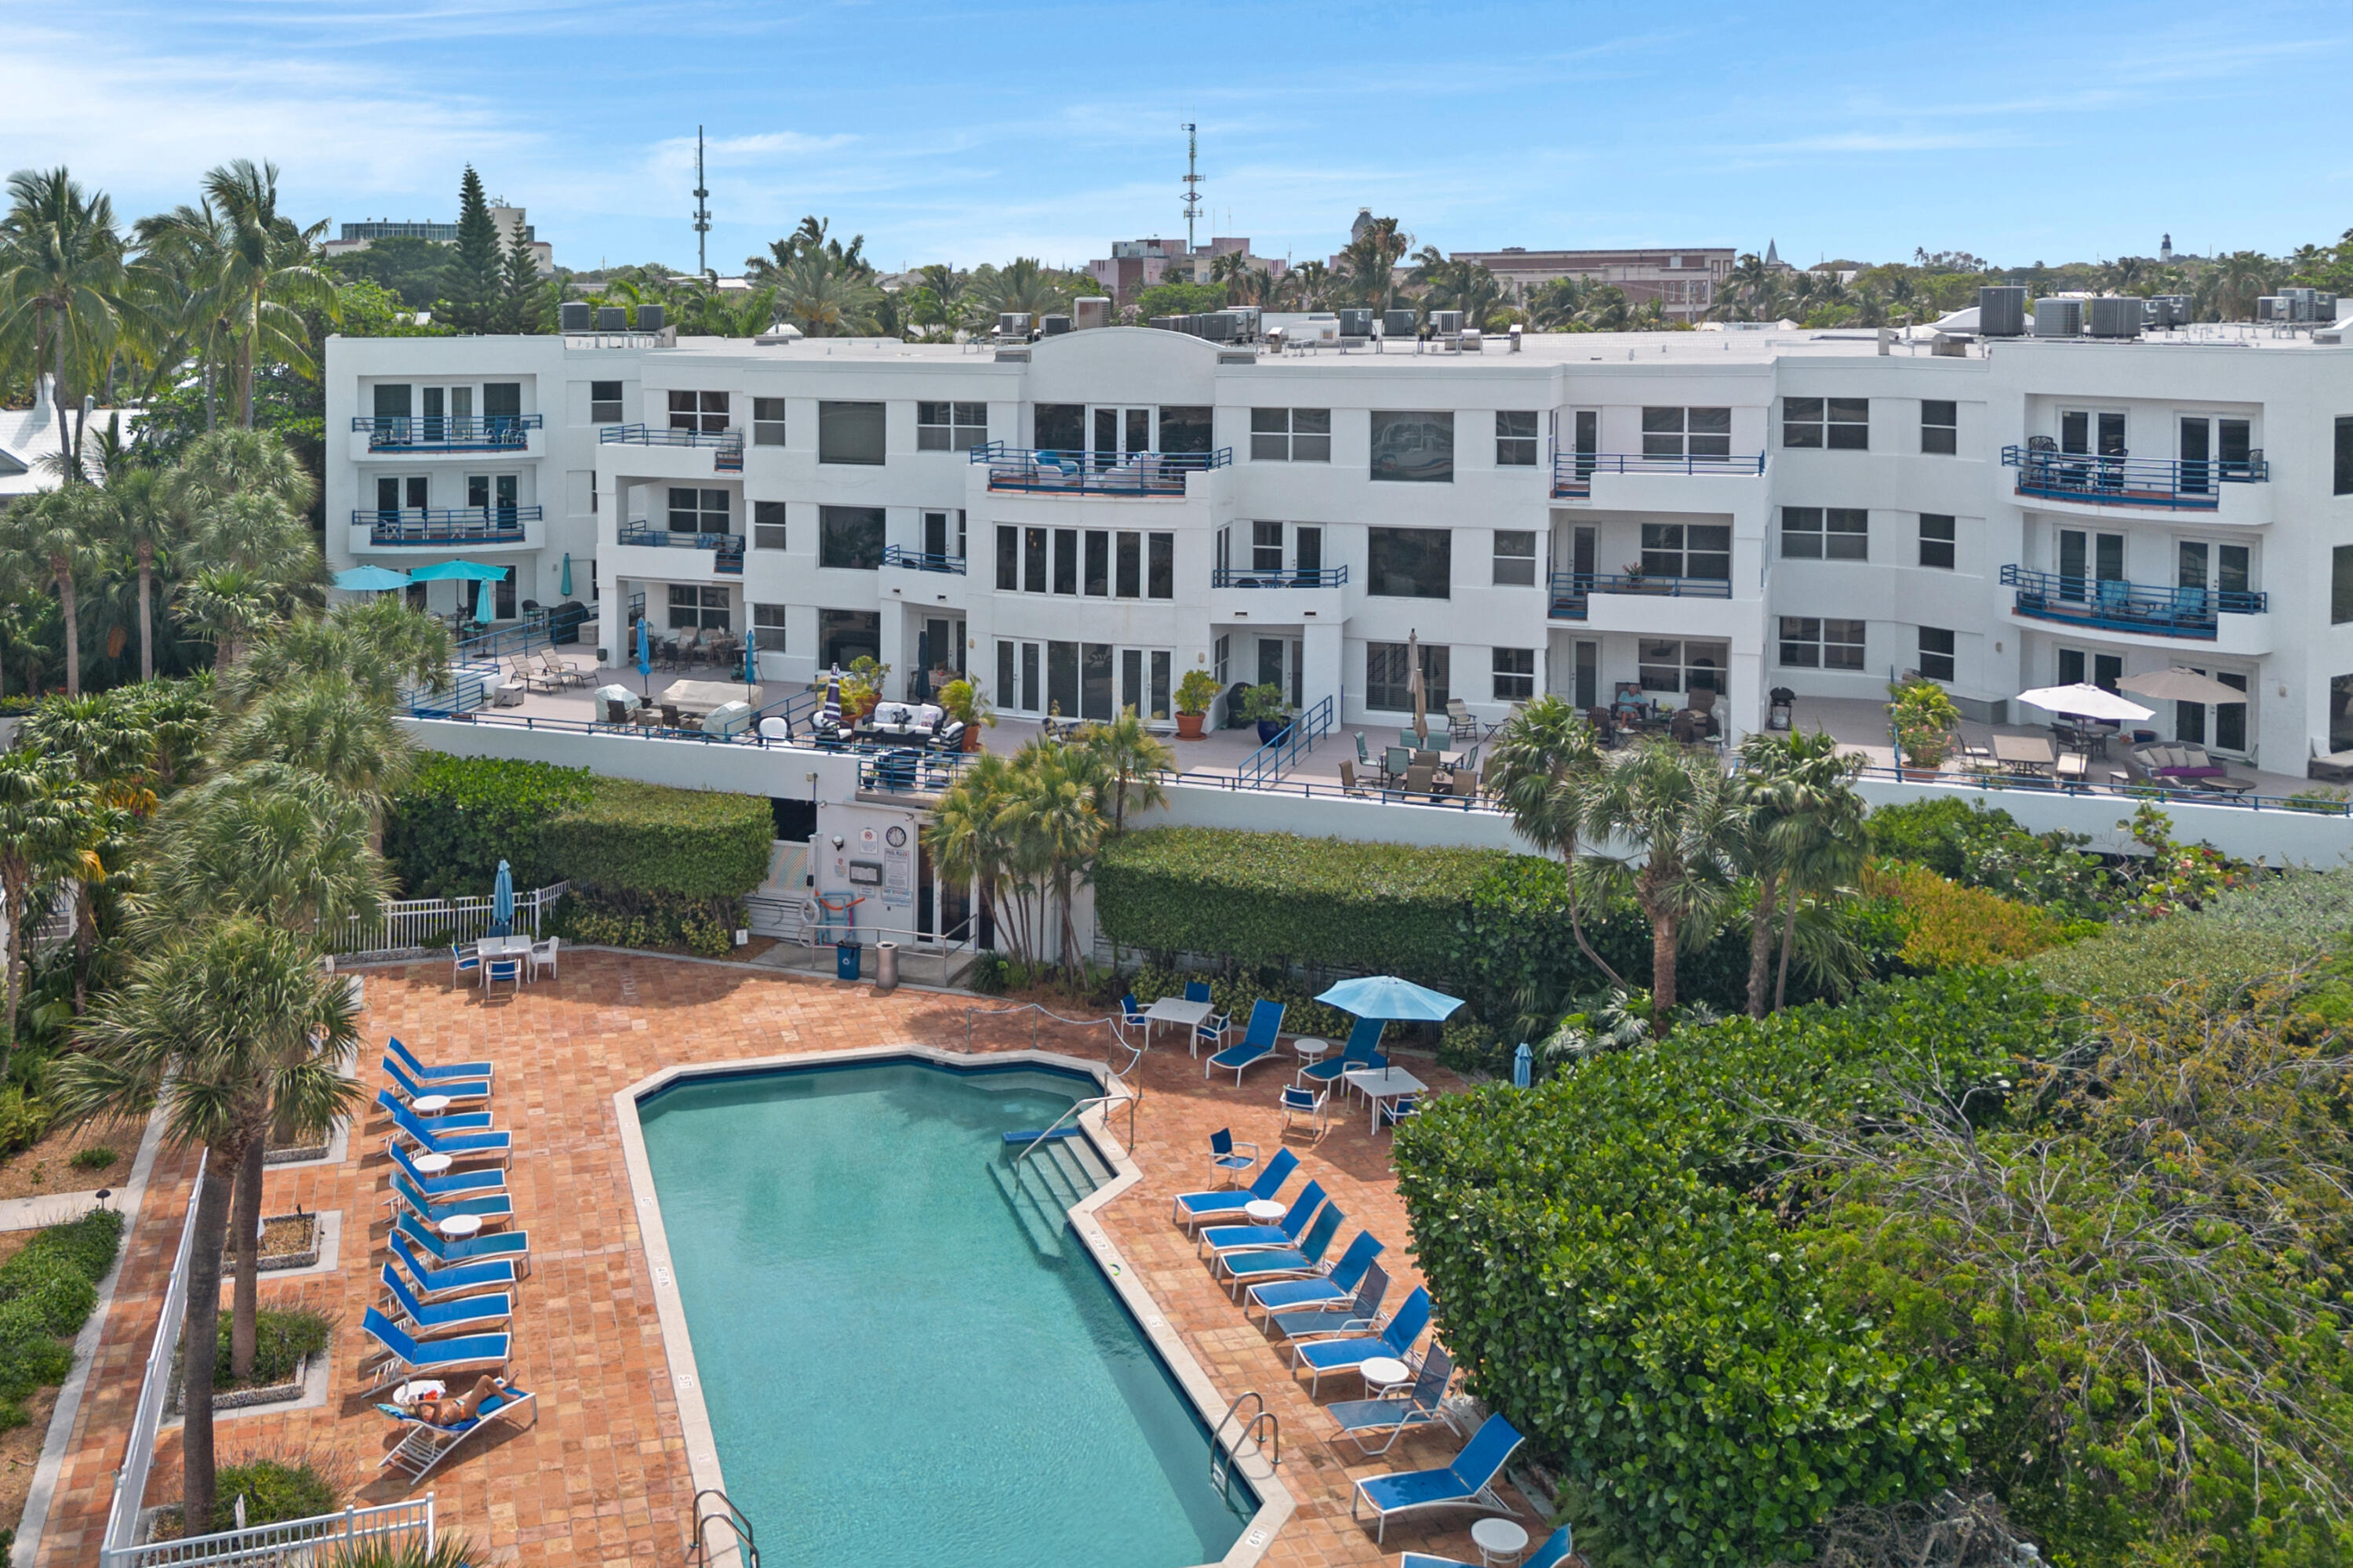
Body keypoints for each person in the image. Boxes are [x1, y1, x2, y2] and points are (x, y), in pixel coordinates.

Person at [411, 1373, 505, 1424]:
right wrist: (420, 1402)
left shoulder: (425, 1410)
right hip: (466, 1411)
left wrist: (417, 1403)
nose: (427, 1415)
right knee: (485, 1379)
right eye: (425, 1416)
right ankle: (507, 1398)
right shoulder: (434, 1420)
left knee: (484, 1392)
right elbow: (438, 1403)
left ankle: (505, 1385)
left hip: (458, 1401)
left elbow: (413, 1399)